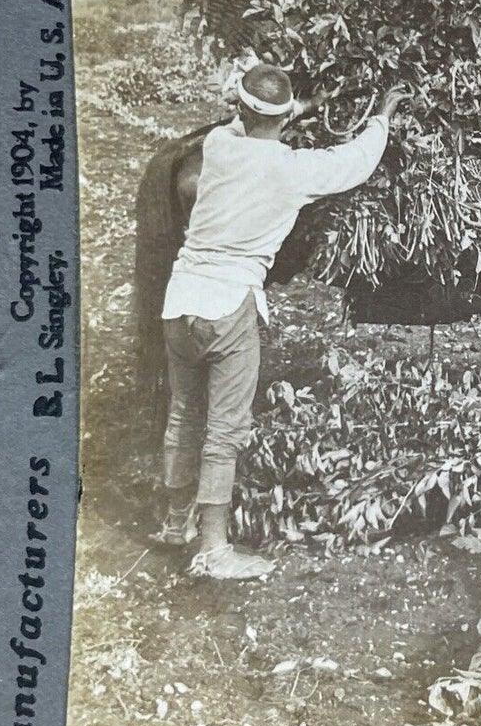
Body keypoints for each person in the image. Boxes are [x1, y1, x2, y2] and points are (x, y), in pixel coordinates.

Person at [156, 63, 410, 578]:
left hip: (179, 302)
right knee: (224, 431)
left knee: (183, 415)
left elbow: (245, 122)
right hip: (229, 305)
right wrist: (382, 115)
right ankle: (214, 550)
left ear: (241, 107)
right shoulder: (293, 170)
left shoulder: (218, 147)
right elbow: (355, 162)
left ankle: (174, 524)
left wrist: (300, 107)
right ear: (282, 116)